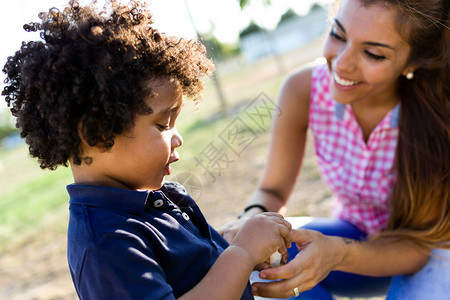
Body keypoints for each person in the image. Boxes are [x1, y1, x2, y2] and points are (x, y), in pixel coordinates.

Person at [1, 1, 293, 299]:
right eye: (164, 125)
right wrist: (242, 254)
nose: (177, 138)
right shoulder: (105, 244)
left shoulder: (153, 198)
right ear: (98, 133)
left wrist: (231, 248)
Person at [219, 0, 450, 298]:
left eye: (373, 53)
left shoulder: (436, 113)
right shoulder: (303, 89)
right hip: (351, 235)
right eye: (338, 35)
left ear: (413, 62)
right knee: (257, 262)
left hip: (430, 250)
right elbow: (273, 190)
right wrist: (249, 220)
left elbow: (417, 246)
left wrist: (338, 253)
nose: (341, 63)